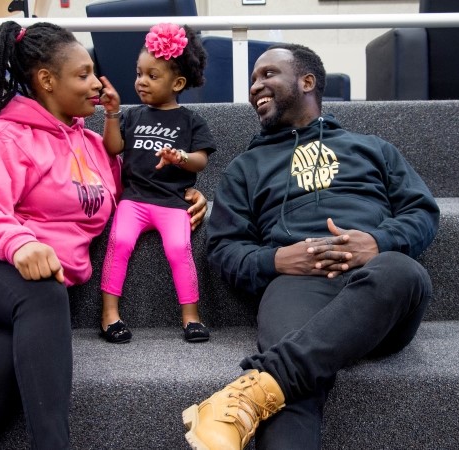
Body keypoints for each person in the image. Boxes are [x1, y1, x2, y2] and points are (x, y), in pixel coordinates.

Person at [0, 21, 206, 450]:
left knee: (1, 370)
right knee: (46, 291)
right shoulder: (5, 135)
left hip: (16, 300)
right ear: (47, 80)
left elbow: (130, 189)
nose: (98, 84)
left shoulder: (89, 145)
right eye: (83, 74)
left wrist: (183, 193)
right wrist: (20, 243)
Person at [181, 43, 440, 450]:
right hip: (296, 285)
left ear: (307, 82)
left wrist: (376, 242)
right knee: (297, 382)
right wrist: (277, 259)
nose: (255, 86)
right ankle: (275, 383)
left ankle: (253, 392)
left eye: (267, 75)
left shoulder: (371, 148)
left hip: (378, 286)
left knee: (403, 272)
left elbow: (422, 212)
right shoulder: (244, 169)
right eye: (252, 80)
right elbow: (223, 249)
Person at [97, 23, 216, 343]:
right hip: (134, 200)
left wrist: (181, 157)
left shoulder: (191, 121)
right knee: (119, 241)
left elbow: (201, 160)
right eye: (139, 73)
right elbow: (113, 148)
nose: (141, 82)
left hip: (173, 202)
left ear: (177, 82)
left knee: (180, 248)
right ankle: (110, 315)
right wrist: (112, 114)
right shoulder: (132, 116)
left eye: (152, 75)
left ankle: (191, 317)